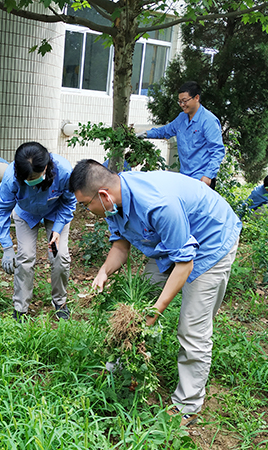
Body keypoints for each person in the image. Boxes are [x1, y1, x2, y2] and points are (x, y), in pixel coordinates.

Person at [69, 159, 242, 426]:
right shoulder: (114, 201)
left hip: (211, 242)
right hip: (170, 243)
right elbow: (121, 247)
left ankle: (188, 405)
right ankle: (123, 371)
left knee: (192, 328)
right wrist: (103, 271)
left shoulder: (157, 204)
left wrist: (156, 312)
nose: (86, 211)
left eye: (85, 205)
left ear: (102, 196)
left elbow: (185, 263)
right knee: (136, 307)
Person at [0, 142, 76, 321]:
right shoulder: (10, 178)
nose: (32, 182)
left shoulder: (64, 171)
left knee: (60, 257)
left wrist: (58, 229)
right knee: (25, 258)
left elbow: (69, 202)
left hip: (56, 213)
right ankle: (20, 307)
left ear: (46, 166)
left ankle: (60, 302)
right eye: (27, 180)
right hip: (26, 213)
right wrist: (7, 247)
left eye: (36, 177)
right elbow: (1, 211)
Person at [138, 81, 225, 189]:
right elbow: (165, 131)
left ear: (196, 98)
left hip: (202, 179)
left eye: (184, 101)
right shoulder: (181, 118)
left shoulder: (209, 121)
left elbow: (218, 151)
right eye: (179, 102)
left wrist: (208, 176)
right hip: (184, 177)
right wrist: (145, 134)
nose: (182, 105)